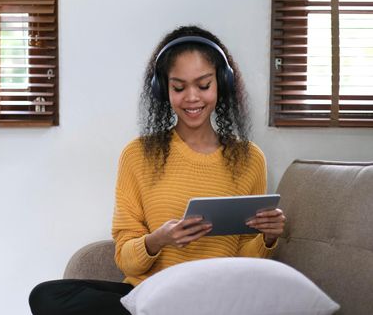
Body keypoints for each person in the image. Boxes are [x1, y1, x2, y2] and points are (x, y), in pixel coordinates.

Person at [28, 25, 286, 315]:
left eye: (203, 85)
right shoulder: (137, 154)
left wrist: (268, 238)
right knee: (46, 295)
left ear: (222, 84)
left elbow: (244, 259)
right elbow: (126, 259)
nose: (191, 98)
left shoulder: (249, 158)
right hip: (147, 295)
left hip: (212, 297)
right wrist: (158, 240)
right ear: (163, 89)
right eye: (179, 87)